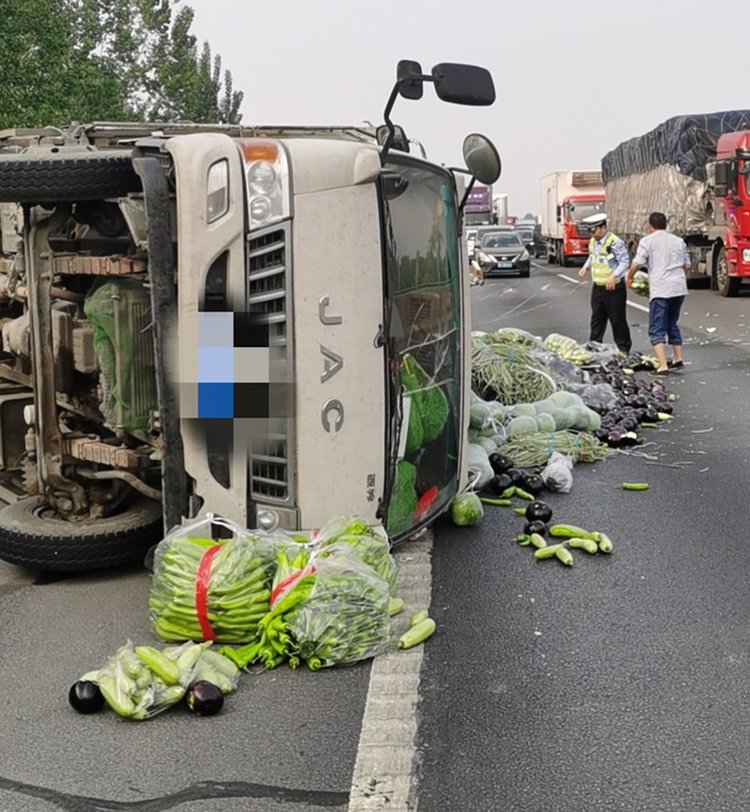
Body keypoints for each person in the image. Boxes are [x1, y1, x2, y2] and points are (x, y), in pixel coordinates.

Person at [625, 211, 690, 376]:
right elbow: (687, 265)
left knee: (656, 327)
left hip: (661, 289)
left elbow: (638, 262)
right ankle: (678, 358)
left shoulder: (647, 241)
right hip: (679, 288)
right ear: (666, 225)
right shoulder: (678, 241)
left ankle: (662, 366)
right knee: (672, 323)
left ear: (650, 226)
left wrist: (630, 277)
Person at [578, 213, 632, 354]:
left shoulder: (615, 242)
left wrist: (613, 276)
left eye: (594, 230)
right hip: (598, 287)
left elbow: (625, 262)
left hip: (613, 288)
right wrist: (585, 267)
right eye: (589, 231)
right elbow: (592, 255)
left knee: (617, 320)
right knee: (597, 319)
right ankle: (594, 348)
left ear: (603, 228)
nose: (592, 234)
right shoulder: (593, 241)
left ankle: (623, 350)